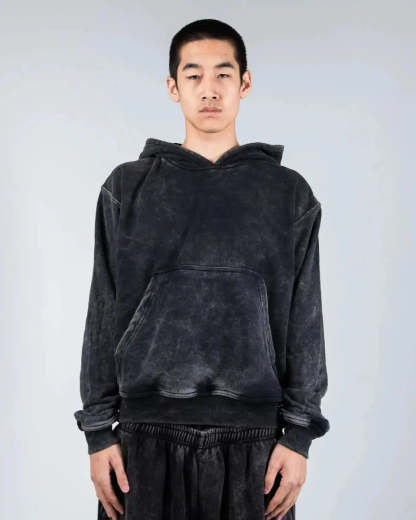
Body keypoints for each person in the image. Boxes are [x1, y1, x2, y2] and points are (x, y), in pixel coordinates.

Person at [73, 18, 330, 520]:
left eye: (223, 74)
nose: (209, 90)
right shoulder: (127, 188)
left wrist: (299, 436)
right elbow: (102, 313)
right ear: (173, 87)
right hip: (143, 440)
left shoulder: (288, 195)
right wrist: (99, 432)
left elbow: (306, 320)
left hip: (255, 443)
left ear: (244, 83)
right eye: (193, 76)